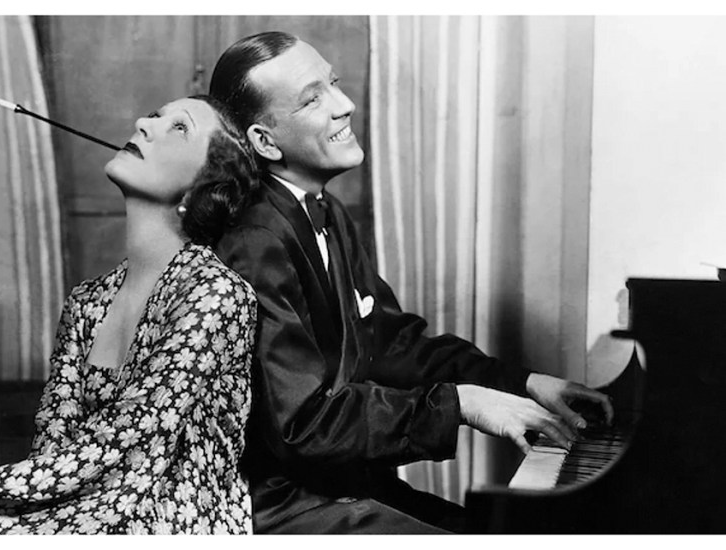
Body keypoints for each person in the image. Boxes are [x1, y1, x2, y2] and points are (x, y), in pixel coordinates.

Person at [210, 31, 614, 534]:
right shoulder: (256, 240)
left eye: (333, 83)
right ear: (264, 142)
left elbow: (391, 344)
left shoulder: (327, 212)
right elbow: (302, 425)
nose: (344, 105)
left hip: (344, 486)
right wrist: (461, 405)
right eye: (313, 100)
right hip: (288, 506)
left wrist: (525, 384)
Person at [0, 95, 259, 534]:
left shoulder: (216, 295)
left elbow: (128, 439)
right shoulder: (88, 300)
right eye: (155, 115)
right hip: (81, 513)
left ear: (201, 186)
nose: (143, 123)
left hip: (174, 524)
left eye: (179, 127)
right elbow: (52, 449)